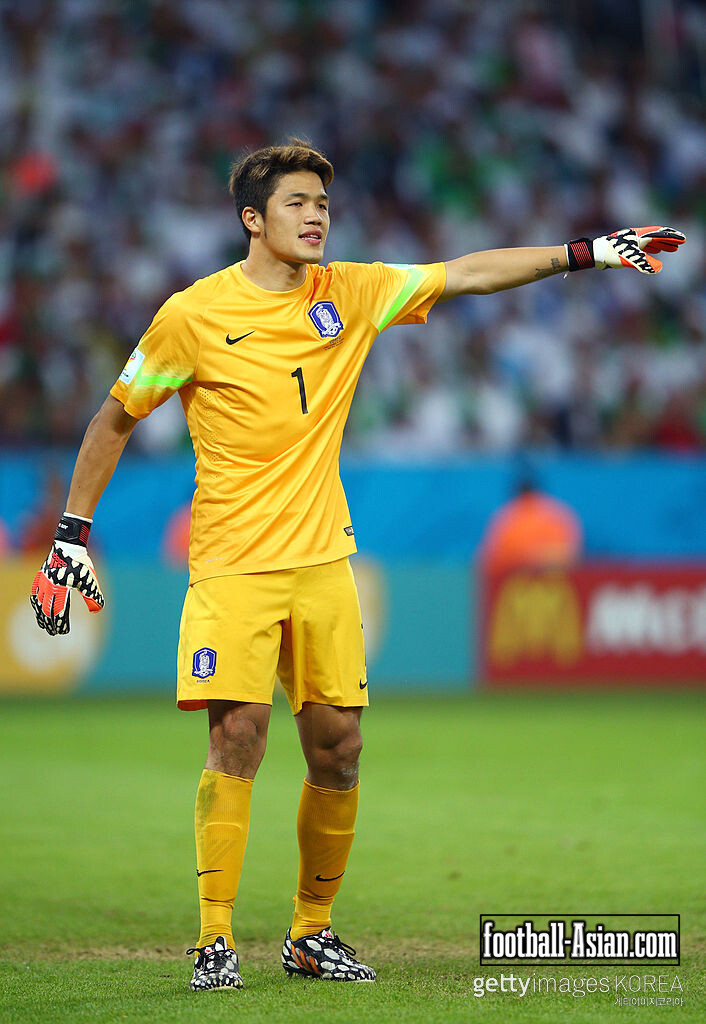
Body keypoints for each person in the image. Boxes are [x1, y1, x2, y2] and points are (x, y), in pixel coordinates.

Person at [29, 139, 685, 991]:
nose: (317, 217)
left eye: (323, 205)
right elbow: (114, 418)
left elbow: (466, 274)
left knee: (339, 749)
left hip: (323, 565)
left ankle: (311, 931)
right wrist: (71, 533)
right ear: (252, 221)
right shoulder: (191, 315)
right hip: (231, 565)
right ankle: (215, 938)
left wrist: (586, 251)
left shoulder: (354, 291)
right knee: (238, 737)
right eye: (299, 204)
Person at [479, 476, 583, 576]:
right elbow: (572, 554)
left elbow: (489, 558)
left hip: (515, 582)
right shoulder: (559, 513)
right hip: (558, 582)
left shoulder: (506, 517)